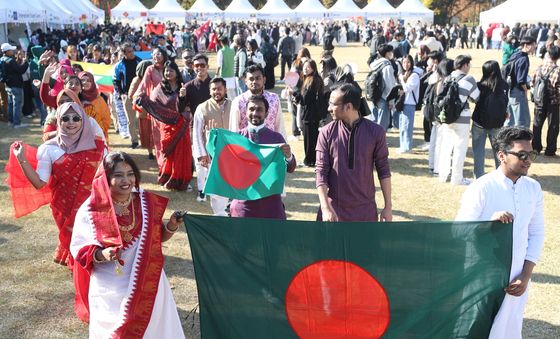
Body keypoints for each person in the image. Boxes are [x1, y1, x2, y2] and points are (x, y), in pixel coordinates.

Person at [70, 152, 185, 338]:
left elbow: (157, 238)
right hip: (109, 281)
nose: (126, 180)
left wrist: (171, 226)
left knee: (153, 328)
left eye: (130, 174)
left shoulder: (145, 201)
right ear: (106, 178)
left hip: (147, 277)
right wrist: (101, 254)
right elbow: (80, 247)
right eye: (118, 175)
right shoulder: (92, 208)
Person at [456, 126, 544, 339]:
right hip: (482, 277)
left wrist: (525, 275)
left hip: (517, 279)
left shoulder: (533, 188)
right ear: (502, 155)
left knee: (509, 331)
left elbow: (537, 233)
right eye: (521, 154)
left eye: (531, 154)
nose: (528, 160)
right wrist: (489, 223)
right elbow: (458, 232)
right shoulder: (482, 188)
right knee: (478, 331)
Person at [10, 102, 106, 268]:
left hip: (92, 206)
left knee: (87, 242)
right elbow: (40, 183)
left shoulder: (98, 147)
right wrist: (21, 159)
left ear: (83, 121)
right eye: (65, 118)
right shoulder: (48, 149)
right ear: (58, 122)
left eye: (76, 118)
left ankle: (84, 270)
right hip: (63, 206)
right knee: (72, 240)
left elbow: (107, 177)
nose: (71, 122)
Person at [316, 83, 392, 222]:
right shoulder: (326, 132)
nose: (329, 108)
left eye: (333, 104)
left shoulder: (376, 132)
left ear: (348, 106)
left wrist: (388, 206)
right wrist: (325, 208)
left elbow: (384, 170)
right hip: (333, 212)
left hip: (365, 212)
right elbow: (321, 172)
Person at [230, 95, 296, 219]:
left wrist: (288, 156)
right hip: (243, 204)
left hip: (270, 204)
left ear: (266, 114)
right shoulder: (236, 138)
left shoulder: (276, 138)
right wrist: (213, 144)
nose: (255, 113)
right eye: (251, 109)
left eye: (259, 109)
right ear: (245, 112)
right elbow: (226, 167)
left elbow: (290, 168)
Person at [138, 61, 192, 190]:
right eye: (166, 71)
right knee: (168, 152)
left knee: (182, 152)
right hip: (166, 126)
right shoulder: (160, 88)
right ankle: (168, 178)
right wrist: (143, 99)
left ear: (177, 73)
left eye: (171, 71)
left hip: (181, 124)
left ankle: (180, 179)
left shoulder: (183, 87)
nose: (168, 73)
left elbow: (188, 104)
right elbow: (154, 104)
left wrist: (183, 98)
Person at [438, 55, 480, 185]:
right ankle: (457, 178)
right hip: (462, 118)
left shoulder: (447, 78)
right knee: (459, 149)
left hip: (446, 118)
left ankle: (443, 175)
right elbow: (476, 97)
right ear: (465, 65)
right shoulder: (469, 79)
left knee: (446, 147)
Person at [192, 78, 231, 214]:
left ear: (225, 89)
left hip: (230, 153)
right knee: (216, 187)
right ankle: (219, 213)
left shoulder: (233, 105)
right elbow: (196, 133)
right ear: (209, 91)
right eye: (213, 89)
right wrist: (201, 154)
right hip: (211, 155)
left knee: (230, 182)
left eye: (219, 88)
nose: (216, 92)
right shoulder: (202, 108)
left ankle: (228, 208)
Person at [472, 60, 509, 178]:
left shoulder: (480, 85)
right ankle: (501, 175)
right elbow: (506, 102)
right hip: (497, 123)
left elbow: (475, 100)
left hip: (479, 122)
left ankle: (479, 176)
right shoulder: (505, 85)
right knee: (499, 151)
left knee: (478, 151)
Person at [134, 47, 169, 165]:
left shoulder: (169, 67)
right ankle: (162, 164)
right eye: (153, 54)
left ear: (164, 54)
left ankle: (170, 161)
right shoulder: (150, 69)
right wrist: (139, 96)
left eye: (158, 53)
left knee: (169, 137)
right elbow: (144, 85)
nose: (156, 56)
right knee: (158, 137)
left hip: (171, 107)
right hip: (156, 108)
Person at [229, 64, 286, 138]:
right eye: (251, 79)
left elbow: (279, 125)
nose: (254, 82)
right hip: (246, 146)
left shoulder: (274, 99)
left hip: (270, 145)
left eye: (258, 78)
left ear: (264, 80)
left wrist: (283, 145)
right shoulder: (238, 101)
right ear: (245, 81)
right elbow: (234, 129)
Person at [292, 59, 325, 167]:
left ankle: (309, 160)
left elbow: (305, 99)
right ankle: (313, 159)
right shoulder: (314, 79)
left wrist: (295, 95)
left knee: (309, 139)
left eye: (308, 67)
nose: (305, 69)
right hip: (314, 114)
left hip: (310, 114)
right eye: (304, 67)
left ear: (313, 68)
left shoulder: (312, 81)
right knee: (313, 138)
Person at [531, 45, 560, 156]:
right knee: (553, 126)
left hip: (539, 101)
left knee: (537, 125)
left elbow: (533, 83)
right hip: (553, 103)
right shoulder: (557, 71)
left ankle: (536, 147)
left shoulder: (539, 68)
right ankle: (550, 150)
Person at [113, 43, 142, 149]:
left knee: (140, 119)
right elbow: (115, 80)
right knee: (131, 120)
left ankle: (144, 138)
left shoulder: (140, 62)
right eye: (129, 51)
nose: (131, 53)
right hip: (127, 96)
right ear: (124, 53)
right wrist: (121, 94)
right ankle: (134, 141)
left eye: (132, 51)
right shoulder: (119, 65)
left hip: (141, 96)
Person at [505, 36, 536, 128]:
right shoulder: (524, 59)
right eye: (534, 44)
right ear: (526, 45)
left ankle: (506, 141)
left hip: (510, 90)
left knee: (510, 121)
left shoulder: (515, 55)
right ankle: (520, 141)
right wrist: (526, 90)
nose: (535, 46)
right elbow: (521, 80)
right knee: (522, 121)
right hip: (518, 92)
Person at [129, 60, 154, 160]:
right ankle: (150, 152)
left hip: (155, 111)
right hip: (144, 111)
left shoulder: (153, 78)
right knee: (147, 132)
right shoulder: (137, 80)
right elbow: (131, 95)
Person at [396, 55, 421, 153]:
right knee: (402, 126)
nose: (406, 64)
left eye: (408, 62)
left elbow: (407, 89)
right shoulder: (406, 74)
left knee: (407, 127)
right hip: (403, 103)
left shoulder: (414, 75)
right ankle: (403, 146)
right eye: (404, 62)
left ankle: (407, 147)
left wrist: (401, 79)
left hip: (410, 104)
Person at [369, 44, 397, 131]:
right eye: (391, 52)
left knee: (374, 122)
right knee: (382, 125)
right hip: (384, 97)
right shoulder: (387, 66)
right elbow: (390, 85)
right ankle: (380, 143)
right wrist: (391, 101)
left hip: (374, 95)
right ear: (387, 53)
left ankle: (373, 142)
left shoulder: (375, 64)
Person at [1, 43, 29, 128]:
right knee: (17, 104)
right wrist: (25, 62)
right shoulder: (11, 61)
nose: (13, 51)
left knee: (10, 104)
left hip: (7, 85)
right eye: (11, 50)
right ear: (7, 51)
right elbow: (21, 70)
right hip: (15, 85)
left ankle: (11, 121)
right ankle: (17, 123)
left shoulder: (2, 59)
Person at [78, 71, 112, 141]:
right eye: (82, 80)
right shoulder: (76, 98)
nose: (85, 82)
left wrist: (98, 129)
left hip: (98, 135)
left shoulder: (99, 100)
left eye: (88, 80)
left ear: (92, 83)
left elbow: (106, 118)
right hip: (79, 136)